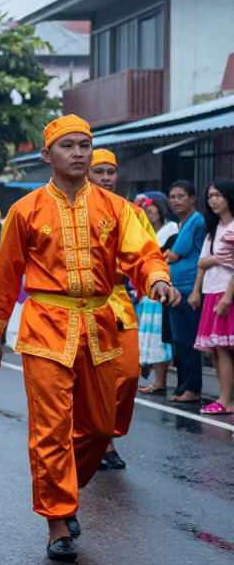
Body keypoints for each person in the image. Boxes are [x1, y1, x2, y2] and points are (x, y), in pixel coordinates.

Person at [0, 115, 176, 563]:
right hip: (46, 325)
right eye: (68, 146)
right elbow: (5, 275)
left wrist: (157, 278)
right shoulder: (25, 210)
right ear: (48, 155)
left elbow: (143, 253)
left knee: (99, 428)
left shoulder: (116, 207)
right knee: (50, 428)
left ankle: (65, 488)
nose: (79, 154)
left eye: (85, 145)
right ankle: (58, 521)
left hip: (101, 325)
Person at [87, 148, 157, 469]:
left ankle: (107, 434)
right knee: (88, 378)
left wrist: (155, 281)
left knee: (128, 375)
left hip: (119, 300)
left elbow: (148, 253)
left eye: (110, 172)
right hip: (80, 304)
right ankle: (101, 442)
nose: (105, 178)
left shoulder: (131, 211)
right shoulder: (71, 208)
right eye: (98, 171)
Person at [191, 179, 234, 416]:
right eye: (210, 196)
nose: (213, 200)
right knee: (215, 350)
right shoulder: (214, 229)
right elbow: (201, 263)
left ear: (229, 197)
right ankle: (225, 397)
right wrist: (196, 292)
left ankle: (226, 400)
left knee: (224, 348)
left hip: (226, 293)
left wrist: (227, 297)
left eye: (217, 195)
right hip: (211, 293)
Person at [164, 181, 205, 403]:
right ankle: (183, 386)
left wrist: (169, 254)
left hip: (190, 290)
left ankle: (193, 388)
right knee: (179, 340)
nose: (176, 200)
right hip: (178, 289)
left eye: (181, 196)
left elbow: (174, 255)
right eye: (172, 196)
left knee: (189, 340)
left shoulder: (195, 220)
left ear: (192, 199)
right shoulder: (183, 223)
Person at [134, 192, 177, 394]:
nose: (148, 215)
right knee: (147, 336)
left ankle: (160, 380)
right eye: (145, 212)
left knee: (159, 336)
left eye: (151, 211)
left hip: (160, 286)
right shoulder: (145, 231)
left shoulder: (170, 230)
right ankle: (155, 378)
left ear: (160, 211)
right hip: (145, 290)